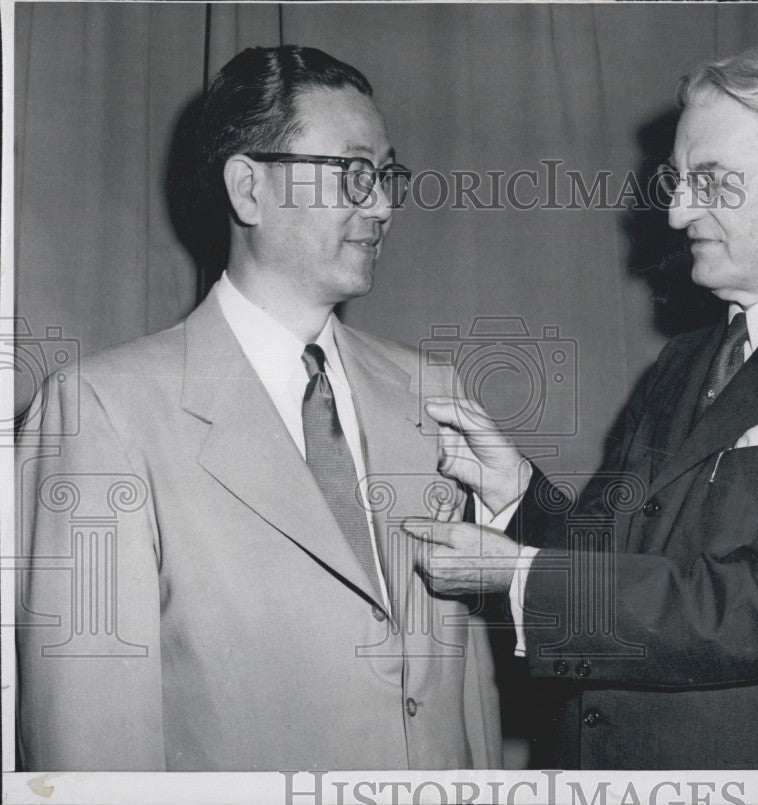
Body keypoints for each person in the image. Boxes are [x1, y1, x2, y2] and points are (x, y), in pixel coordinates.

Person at [405, 47, 758, 769]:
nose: (676, 212)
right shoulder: (684, 361)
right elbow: (621, 558)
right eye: (679, 180)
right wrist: (514, 491)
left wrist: (520, 577)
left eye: (713, 182)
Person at [16, 45, 501, 771]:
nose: (384, 204)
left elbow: (471, 706)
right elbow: (89, 747)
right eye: (354, 173)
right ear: (248, 190)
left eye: (388, 174)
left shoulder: (434, 395)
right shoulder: (102, 412)